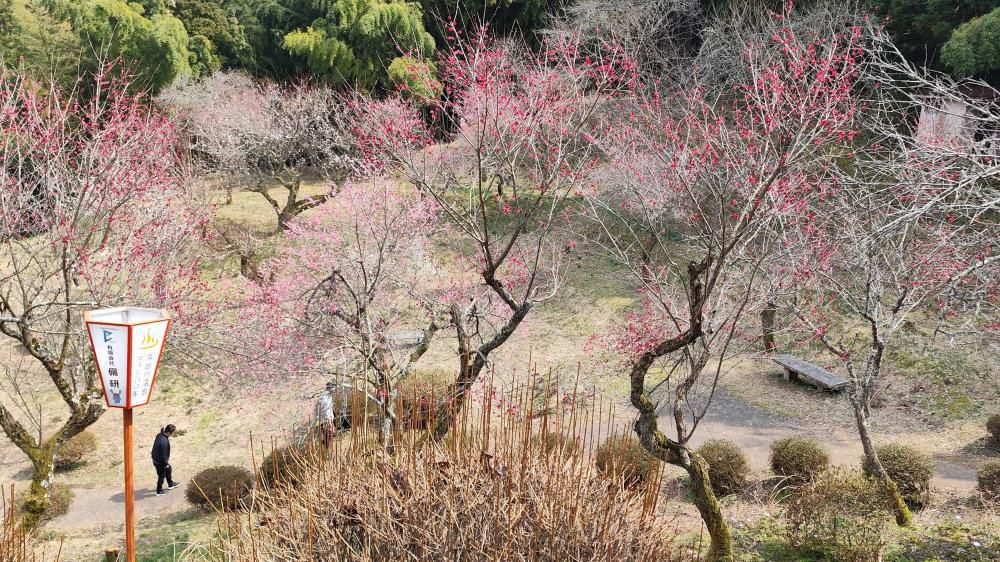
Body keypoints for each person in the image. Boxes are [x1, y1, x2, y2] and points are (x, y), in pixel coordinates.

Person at [152, 424, 179, 496]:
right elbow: (163, 455)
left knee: (168, 469)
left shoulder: (160, 435)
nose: (174, 433)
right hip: (158, 461)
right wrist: (165, 464)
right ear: (169, 433)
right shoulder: (164, 442)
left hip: (157, 458)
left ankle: (170, 484)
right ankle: (159, 491)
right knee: (162, 475)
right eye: (173, 432)